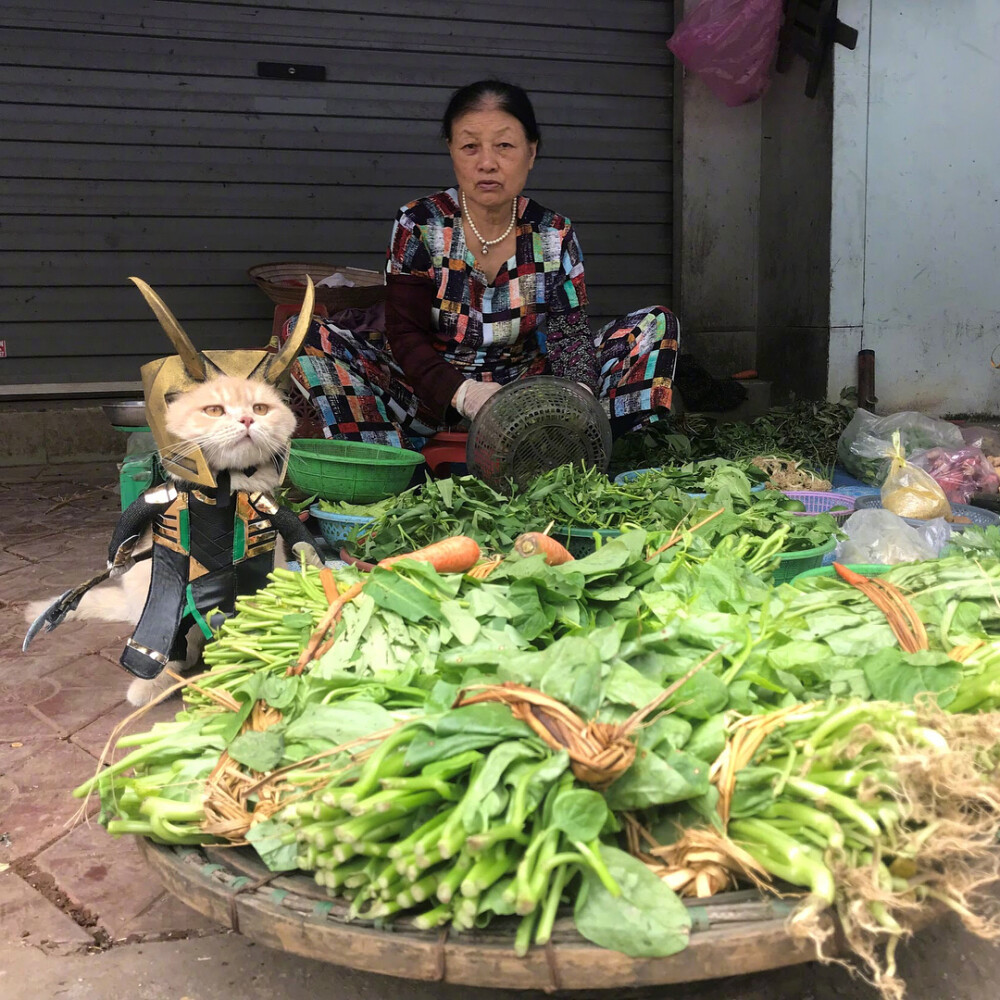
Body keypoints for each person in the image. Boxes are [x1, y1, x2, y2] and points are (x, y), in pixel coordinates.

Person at [285, 80, 680, 447]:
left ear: (531, 152)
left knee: (655, 325)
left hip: (528, 401)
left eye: (504, 146)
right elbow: (404, 336)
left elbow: (568, 337)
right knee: (303, 334)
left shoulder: (554, 233)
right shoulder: (420, 224)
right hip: (428, 397)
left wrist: (575, 399)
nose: (487, 163)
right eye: (470, 146)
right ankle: (390, 463)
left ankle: (582, 449)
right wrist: (465, 393)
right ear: (452, 151)